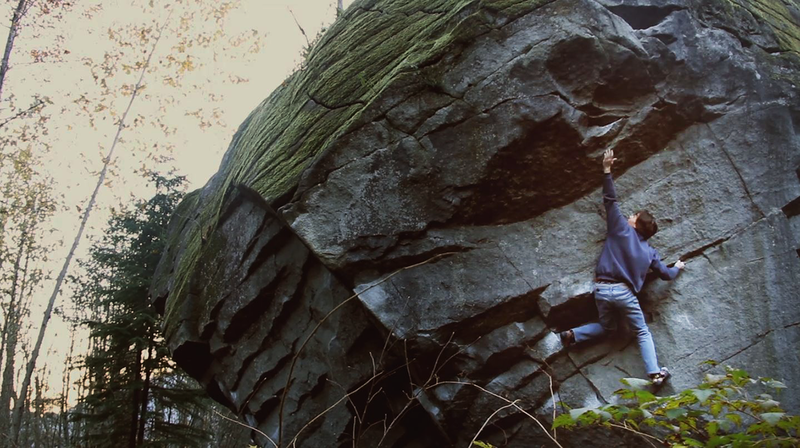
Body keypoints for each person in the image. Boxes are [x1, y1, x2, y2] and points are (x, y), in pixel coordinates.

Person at [560, 149, 684, 386]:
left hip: (602, 290)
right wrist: (677, 266)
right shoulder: (650, 252)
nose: (629, 215)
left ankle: (572, 335)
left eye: (634, 215)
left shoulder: (620, 229)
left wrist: (606, 169)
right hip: (625, 294)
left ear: (636, 223)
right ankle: (655, 373)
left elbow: (610, 199)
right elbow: (666, 275)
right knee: (642, 332)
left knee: (608, 328)